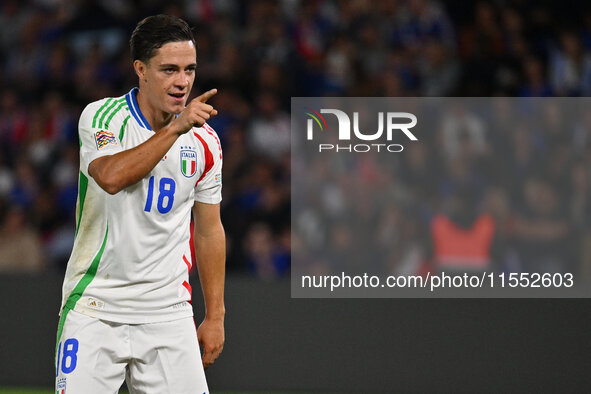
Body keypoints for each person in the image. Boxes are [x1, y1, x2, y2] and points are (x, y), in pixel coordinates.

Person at [55, 15, 225, 393]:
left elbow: (210, 230)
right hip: (96, 307)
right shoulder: (102, 117)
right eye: (169, 70)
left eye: (189, 70)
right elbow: (112, 177)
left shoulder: (207, 142)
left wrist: (215, 316)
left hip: (169, 313)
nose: (182, 82)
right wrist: (174, 129)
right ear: (140, 69)